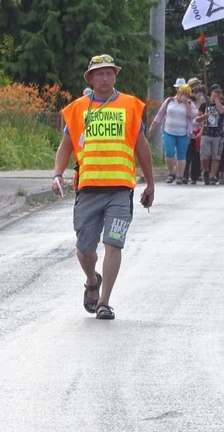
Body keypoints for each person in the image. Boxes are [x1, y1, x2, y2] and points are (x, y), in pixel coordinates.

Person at [51, 54, 155, 320]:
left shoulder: (130, 106)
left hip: (120, 189)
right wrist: (57, 174)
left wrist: (150, 183)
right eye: (99, 73)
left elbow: (141, 147)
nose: (105, 78)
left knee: (113, 244)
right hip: (88, 189)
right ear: (91, 78)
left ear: (115, 76)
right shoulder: (77, 109)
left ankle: (105, 302)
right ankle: (91, 280)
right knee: (85, 249)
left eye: (109, 73)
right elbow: (66, 146)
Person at [148, 79, 197, 184]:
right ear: (178, 91)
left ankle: (180, 176)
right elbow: (160, 114)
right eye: (181, 91)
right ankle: (171, 173)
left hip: (183, 133)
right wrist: (153, 126)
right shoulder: (170, 101)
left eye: (186, 93)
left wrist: (186, 104)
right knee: (169, 153)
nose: (183, 94)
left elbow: (192, 116)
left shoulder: (189, 103)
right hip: (169, 131)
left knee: (181, 155)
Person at [196, 84, 224, 185]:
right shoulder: (204, 104)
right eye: (215, 92)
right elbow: (197, 118)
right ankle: (205, 171)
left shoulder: (222, 103)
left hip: (218, 134)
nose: (217, 94)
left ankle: (213, 176)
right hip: (206, 132)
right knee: (204, 155)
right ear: (211, 92)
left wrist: (217, 100)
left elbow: (222, 111)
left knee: (216, 156)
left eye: (219, 92)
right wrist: (204, 116)